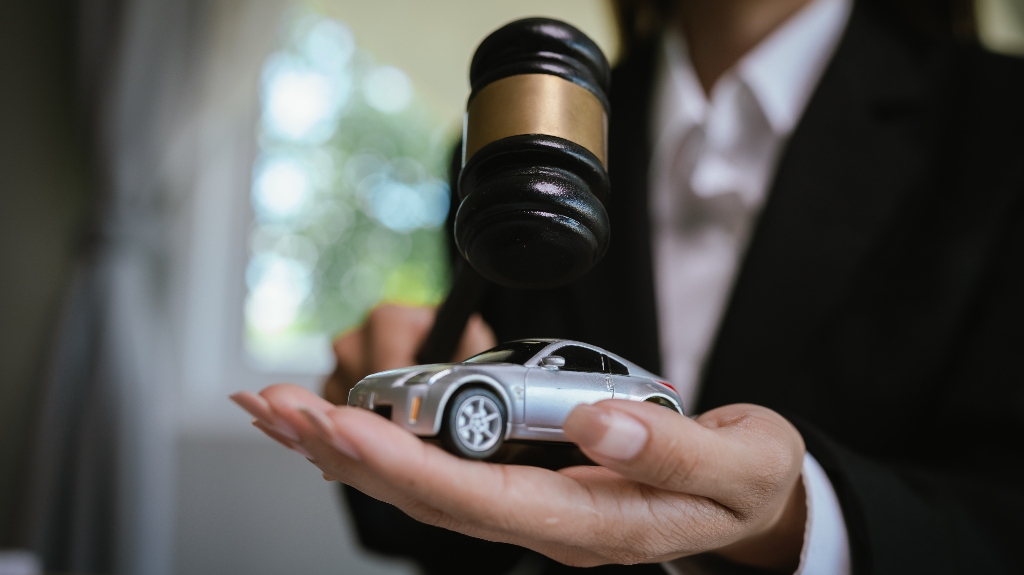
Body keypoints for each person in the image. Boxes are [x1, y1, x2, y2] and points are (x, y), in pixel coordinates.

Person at [231, 0, 1024, 572]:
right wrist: (402, 435)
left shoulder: (1000, 125)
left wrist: (802, 515)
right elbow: (456, 536)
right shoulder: (519, 147)